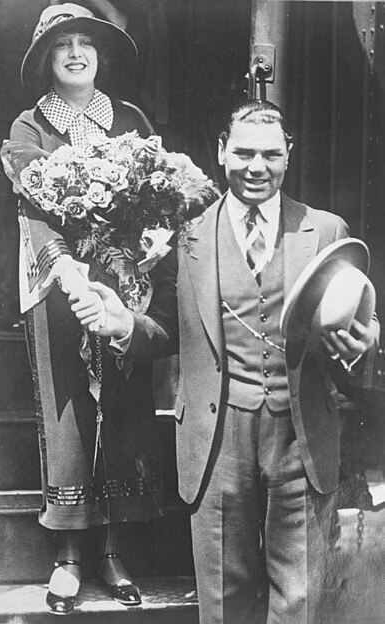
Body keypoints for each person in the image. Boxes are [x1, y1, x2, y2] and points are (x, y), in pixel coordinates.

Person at [71, 96, 379, 624]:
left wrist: (370, 340)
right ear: (221, 153)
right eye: (243, 153)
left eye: (270, 154)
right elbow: (165, 327)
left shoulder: (325, 230)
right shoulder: (187, 236)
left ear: (288, 155)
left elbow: (360, 318)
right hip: (217, 437)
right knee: (222, 594)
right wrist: (125, 324)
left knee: (301, 593)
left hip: (300, 433)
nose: (257, 167)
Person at [1, 3, 164, 615]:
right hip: (60, 284)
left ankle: (113, 552)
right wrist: (68, 270)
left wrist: (148, 248)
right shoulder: (30, 125)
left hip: (123, 286)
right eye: (62, 44)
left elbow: (158, 195)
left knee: (124, 408)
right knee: (68, 410)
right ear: (46, 58)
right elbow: (33, 207)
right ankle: (69, 556)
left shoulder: (130, 120)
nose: (75, 53)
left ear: (100, 56)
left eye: (85, 44)